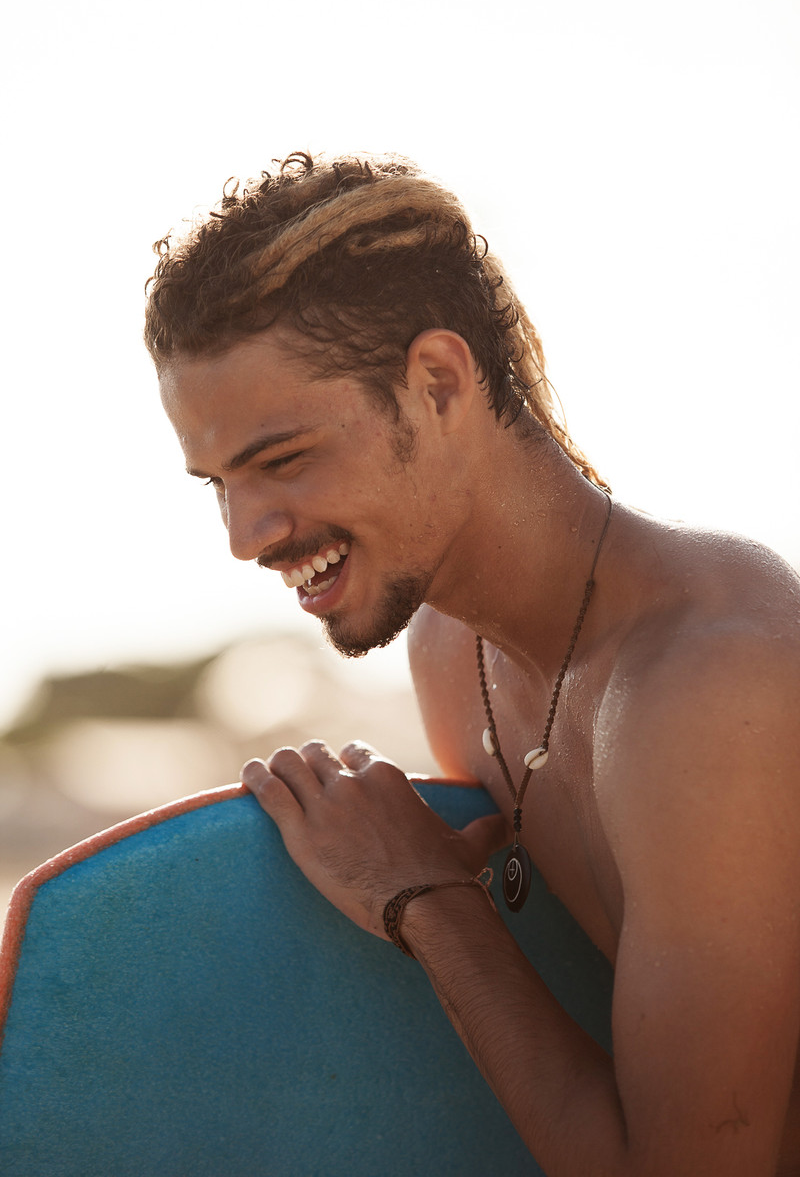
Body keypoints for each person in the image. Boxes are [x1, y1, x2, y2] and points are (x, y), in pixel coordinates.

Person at [144, 152, 800, 1176]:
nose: (244, 534)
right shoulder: (453, 653)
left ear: (437, 382)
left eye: (281, 460)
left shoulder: (715, 683)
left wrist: (426, 903)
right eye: (216, 482)